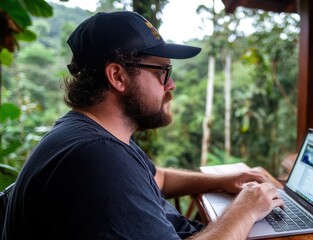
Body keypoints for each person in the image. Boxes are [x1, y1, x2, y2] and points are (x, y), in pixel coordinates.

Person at [3, 11, 283, 240]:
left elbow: (156, 177)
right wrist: (245, 210)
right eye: (162, 72)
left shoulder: (96, 134)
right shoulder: (97, 157)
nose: (171, 84)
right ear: (118, 76)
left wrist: (222, 180)